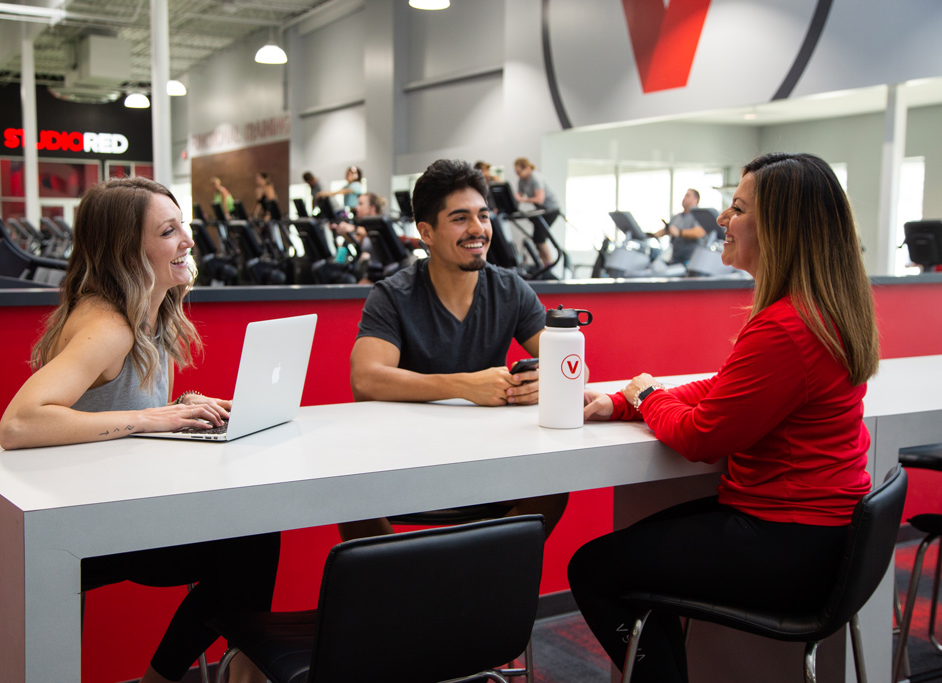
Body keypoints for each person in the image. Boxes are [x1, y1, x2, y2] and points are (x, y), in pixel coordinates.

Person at [568, 152, 880, 683]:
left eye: (737, 208)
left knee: (594, 570)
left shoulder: (787, 326)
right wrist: (627, 399)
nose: (720, 220)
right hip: (823, 535)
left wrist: (645, 397)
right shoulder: (819, 309)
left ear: (780, 226)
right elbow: (727, 388)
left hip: (791, 543)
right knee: (639, 563)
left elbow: (700, 435)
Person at [0, 177, 277, 683]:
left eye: (182, 227)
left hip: (121, 506)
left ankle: (215, 670)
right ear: (128, 252)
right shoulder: (110, 326)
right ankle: (212, 672)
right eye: (169, 232)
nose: (188, 242)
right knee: (250, 540)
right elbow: (19, 422)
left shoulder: (148, 315)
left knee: (251, 534)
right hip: (85, 528)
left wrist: (181, 406)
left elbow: (116, 405)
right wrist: (152, 418)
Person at [345, 158, 568, 540]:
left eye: (483, 216)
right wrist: (463, 385)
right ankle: (418, 580)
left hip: (489, 459)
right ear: (426, 232)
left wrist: (546, 380)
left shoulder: (509, 288)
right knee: (346, 497)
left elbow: (571, 366)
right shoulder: (393, 295)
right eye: (460, 218)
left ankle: (471, 570)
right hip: (407, 461)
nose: (478, 229)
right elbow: (366, 379)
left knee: (555, 485)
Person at [513, 157, 561, 267]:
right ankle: (544, 264)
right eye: (516, 173)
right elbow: (518, 197)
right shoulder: (521, 181)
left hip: (551, 209)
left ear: (527, 168)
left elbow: (540, 199)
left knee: (539, 237)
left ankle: (549, 263)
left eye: (519, 172)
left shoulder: (535, 178)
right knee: (536, 238)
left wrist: (523, 200)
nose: (518, 175)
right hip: (541, 210)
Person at [650, 188, 710, 265]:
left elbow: (700, 232)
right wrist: (651, 235)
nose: (684, 198)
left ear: (696, 200)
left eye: (688, 196)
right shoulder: (677, 217)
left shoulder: (699, 216)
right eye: (684, 196)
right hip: (675, 259)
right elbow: (667, 230)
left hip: (691, 260)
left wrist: (680, 232)